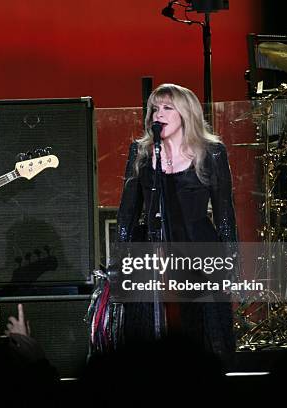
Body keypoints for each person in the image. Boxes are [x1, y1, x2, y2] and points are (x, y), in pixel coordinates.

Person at [99, 83, 238, 356]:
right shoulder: (140, 153)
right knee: (145, 329)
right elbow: (127, 213)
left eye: (166, 108)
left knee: (202, 328)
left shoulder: (212, 152)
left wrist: (231, 260)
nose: (157, 115)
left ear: (186, 113)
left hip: (197, 249)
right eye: (154, 109)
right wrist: (118, 264)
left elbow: (224, 213)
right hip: (152, 250)